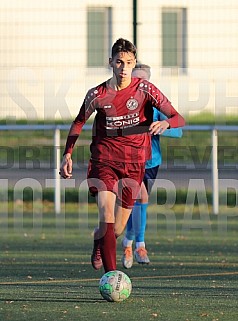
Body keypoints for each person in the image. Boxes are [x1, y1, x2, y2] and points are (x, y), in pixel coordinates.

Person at [60, 38, 185, 273]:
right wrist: (67, 154)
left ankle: (99, 241)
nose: (124, 67)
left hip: (134, 164)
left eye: (128, 62)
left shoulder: (145, 89)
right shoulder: (97, 94)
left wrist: (166, 124)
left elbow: (179, 118)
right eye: (119, 62)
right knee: (106, 215)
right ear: (111, 63)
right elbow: (78, 122)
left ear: (134, 63)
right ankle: (111, 277)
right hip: (104, 160)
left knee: (115, 229)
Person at [121, 63, 183, 269]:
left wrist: (162, 127)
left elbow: (178, 129)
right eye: (135, 80)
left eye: (143, 81)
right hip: (128, 161)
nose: (139, 85)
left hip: (151, 162)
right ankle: (139, 245)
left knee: (137, 204)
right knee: (136, 199)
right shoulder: (124, 103)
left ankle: (129, 243)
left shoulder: (156, 105)